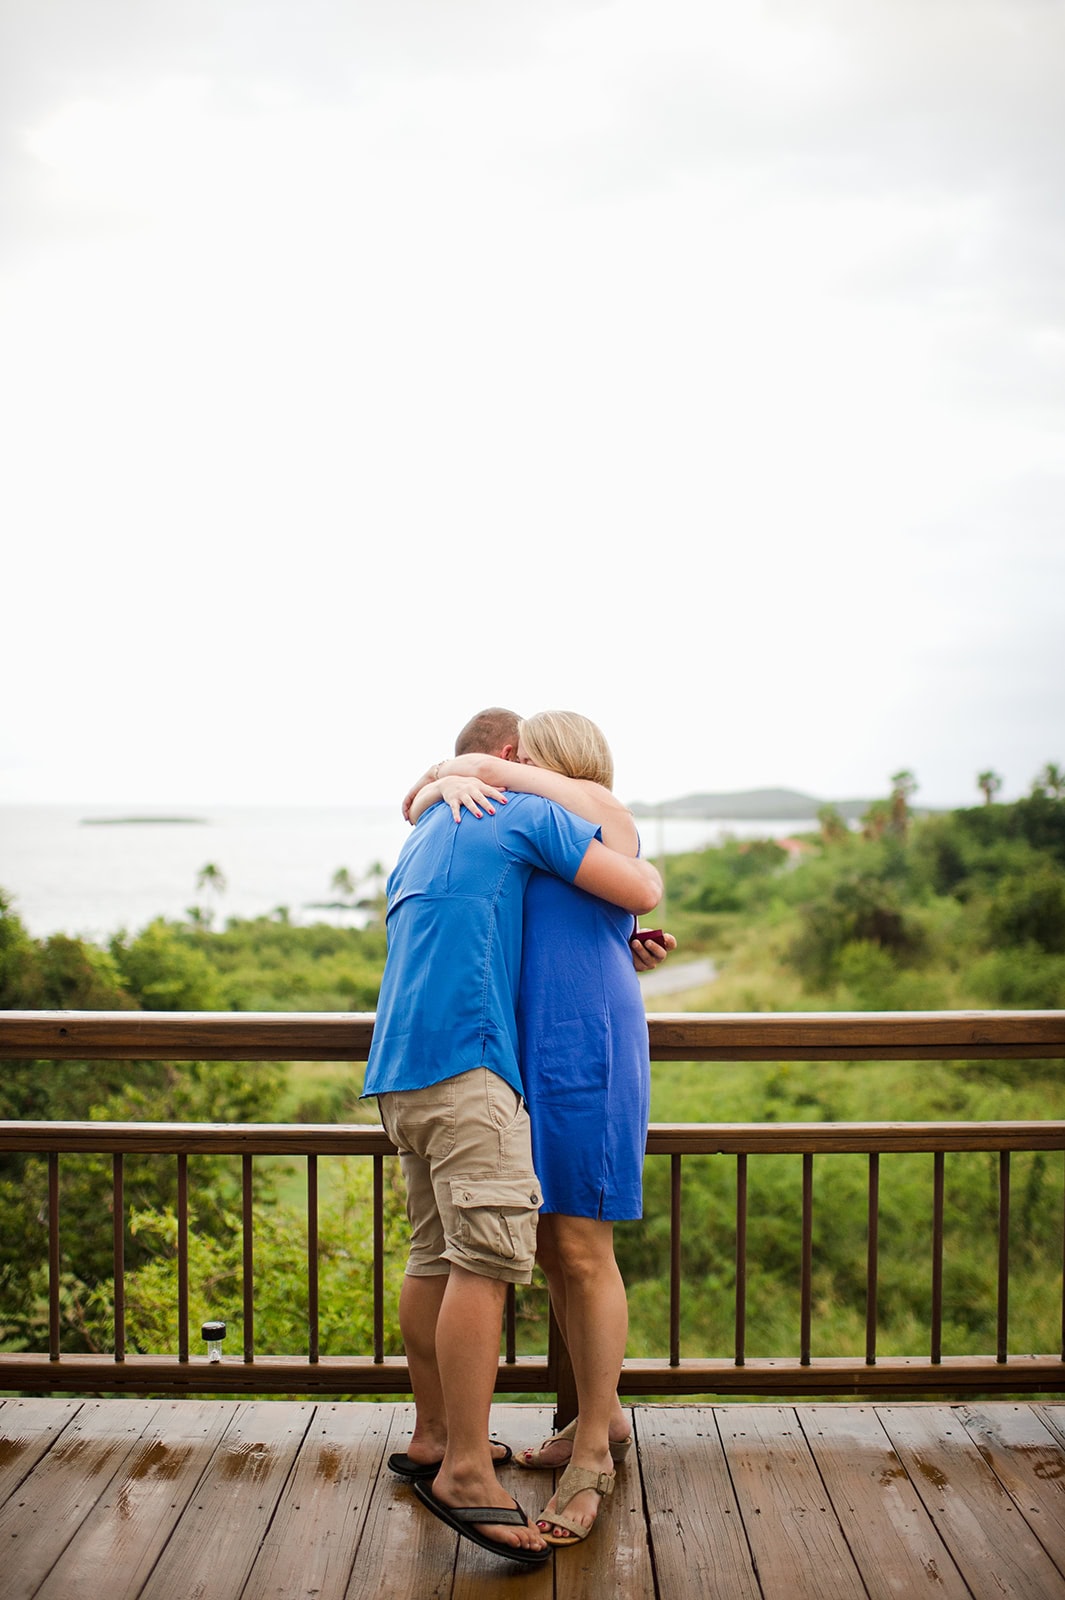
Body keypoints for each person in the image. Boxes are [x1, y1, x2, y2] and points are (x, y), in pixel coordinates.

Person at [363, 729, 662, 1566]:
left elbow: (638, 887)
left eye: (530, 753)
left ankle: (592, 1449)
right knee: (531, 1245)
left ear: (550, 757)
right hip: (515, 1053)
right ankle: (567, 1430)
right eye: (512, 752)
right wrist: (443, 779)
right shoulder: (518, 819)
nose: (517, 764)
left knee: (575, 1244)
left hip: (576, 1042)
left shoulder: (568, 806)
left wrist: (452, 773)